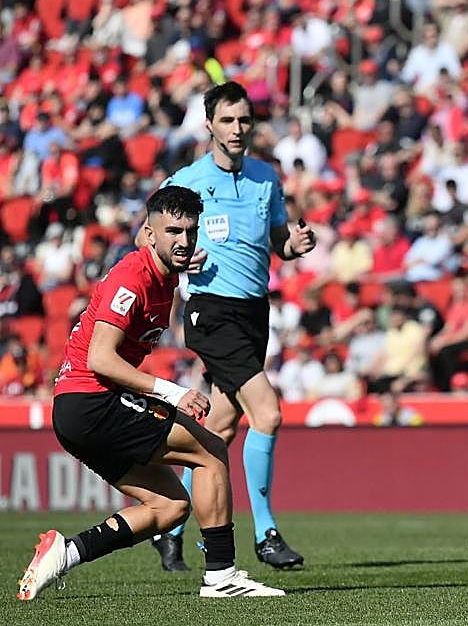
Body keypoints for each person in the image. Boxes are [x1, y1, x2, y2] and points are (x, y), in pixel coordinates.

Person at [17, 186, 283, 600]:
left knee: (170, 507)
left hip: (78, 411)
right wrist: (173, 393)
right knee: (210, 451)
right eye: (173, 230)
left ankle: (65, 553)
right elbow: (101, 359)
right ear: (149, 232)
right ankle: (222, 576)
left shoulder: (163, 273)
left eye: (191, 231)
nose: (184, 240)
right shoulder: (134, 277)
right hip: (93, 400)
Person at [145, 82, 317, 571]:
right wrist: (177, 258)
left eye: (244, 120)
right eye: (228, 120)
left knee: (220, 428)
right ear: (209, 125)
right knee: (268, 412)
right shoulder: (189, 180)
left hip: (252, 312)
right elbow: (147, 236)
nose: (238, 128)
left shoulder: (266, 178)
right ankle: (265, 533)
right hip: (210, 311)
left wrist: (295, 246)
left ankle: (170, 525)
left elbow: (278, 242)